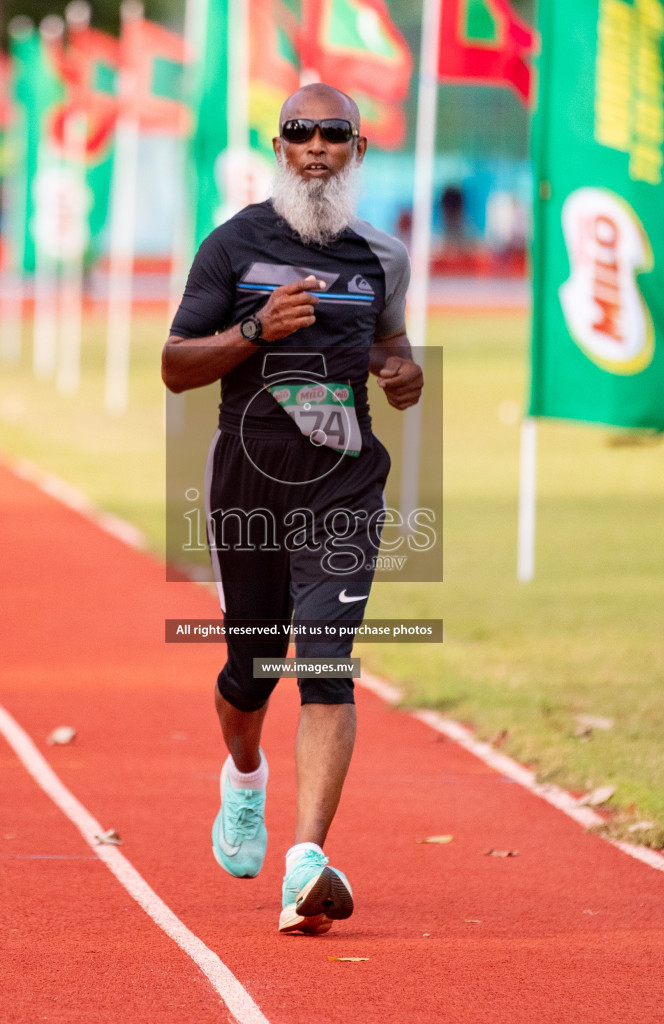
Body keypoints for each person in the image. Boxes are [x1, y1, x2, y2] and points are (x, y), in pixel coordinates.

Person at [160, 83, 423, 936]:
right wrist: (255, 333)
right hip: (250, 480)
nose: (316, 146)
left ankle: (304, 863)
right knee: (249, 672)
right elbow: (174, 365)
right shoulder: (232, 246)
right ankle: (244, 777)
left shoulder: (383, 256)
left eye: (333, 133)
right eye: (300, 132)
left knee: (327, 665)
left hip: (343, 482)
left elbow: (389, 341)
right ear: (279, 146)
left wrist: (405, 372)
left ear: (357, 150)